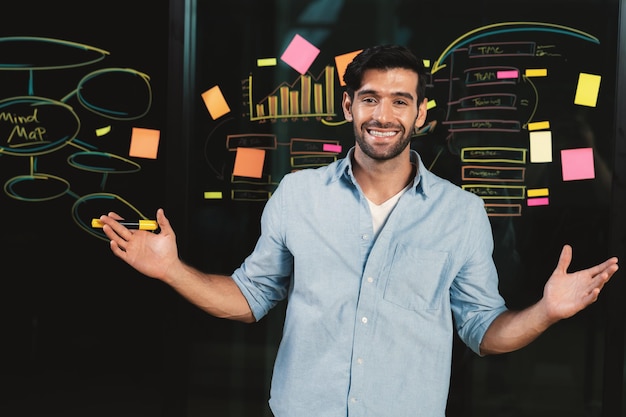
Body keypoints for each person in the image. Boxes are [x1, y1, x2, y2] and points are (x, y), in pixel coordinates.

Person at [98, 44, 618, 417]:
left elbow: (483, 331)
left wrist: (547, 311)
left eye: (400, 101)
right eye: (369, 98)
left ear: (420, 114)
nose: (383, 115)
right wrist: (170, 269)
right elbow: (249, 298)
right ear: (348, 106)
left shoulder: (460, 213)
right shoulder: (297, 196)